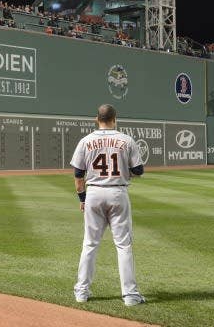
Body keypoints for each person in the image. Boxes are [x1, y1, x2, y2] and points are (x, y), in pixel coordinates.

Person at [70, 104, 146, 307]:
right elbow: (138, 170)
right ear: (115, 118)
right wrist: (122, 172)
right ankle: (130, 295)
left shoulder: (86, 141)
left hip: (94, 192)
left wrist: (82, 199)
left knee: (90, 244)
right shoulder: (126, 139)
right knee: (123, 245)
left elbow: (78, 175)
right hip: (118, 193)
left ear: (97, 119)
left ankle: (81, 292)